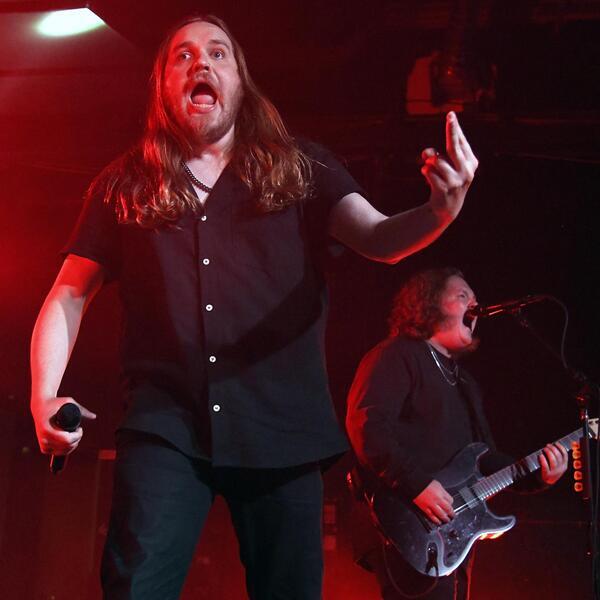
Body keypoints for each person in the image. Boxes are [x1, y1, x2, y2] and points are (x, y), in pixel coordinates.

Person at [29, 14, 479, 600]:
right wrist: (43, 395)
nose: (201, 62)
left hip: (282, 429)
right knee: (134, 588)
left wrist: (440, 210)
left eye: (218, 53)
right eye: (183, 55)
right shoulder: (125, 184)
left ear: (240, 82)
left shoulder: (303, 167)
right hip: (166, 426)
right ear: (162, 86)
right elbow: (68, 293)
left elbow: (379, 238)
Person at [345, 267, 569, 599]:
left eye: (476, 300)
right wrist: (416, 484)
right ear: (428, 304)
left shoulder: (466, 383)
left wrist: (540, 474)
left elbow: (486, 459)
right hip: (404, 522)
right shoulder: (396, 355)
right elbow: (368, 427)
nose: (475, 307)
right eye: (463, 296)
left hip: (451, 534)